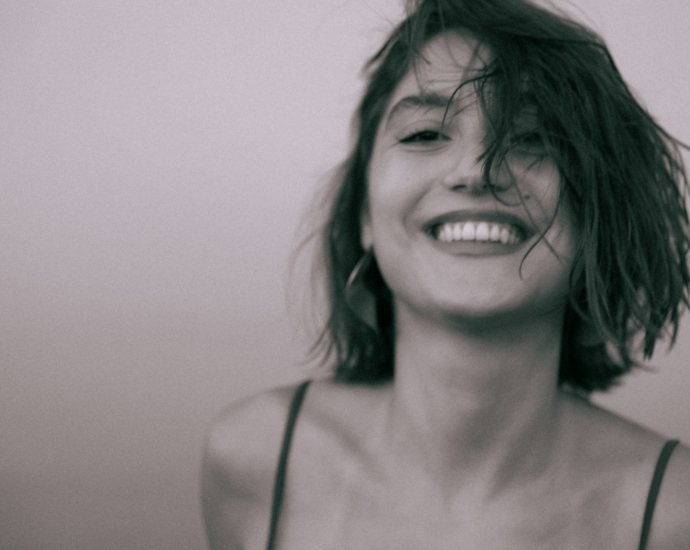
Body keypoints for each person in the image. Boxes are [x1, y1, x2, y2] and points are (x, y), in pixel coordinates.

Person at [201, 0, 690, 548]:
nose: (476, 171)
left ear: (600, 218)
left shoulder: (676, 514)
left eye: (532, 137)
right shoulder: (255, 460)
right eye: (425, 134)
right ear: (364, 211)